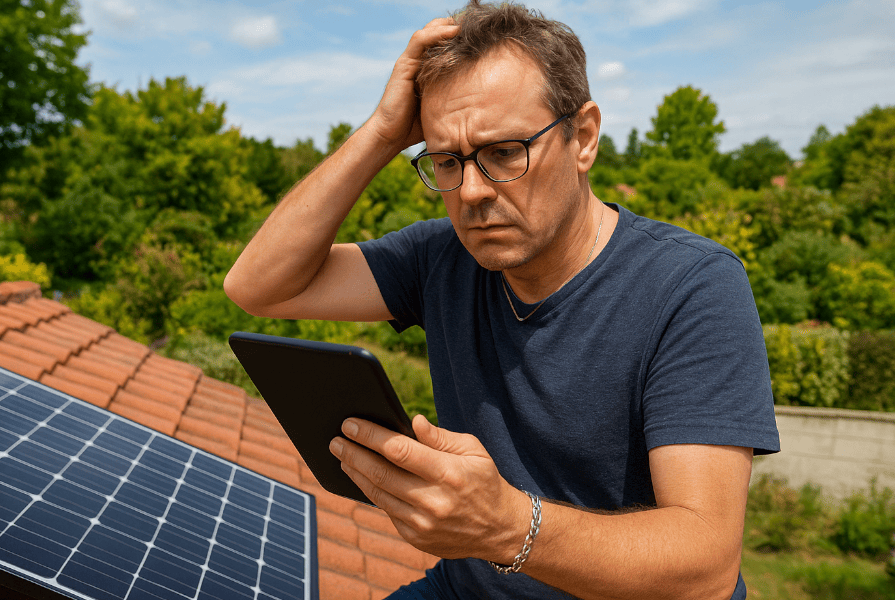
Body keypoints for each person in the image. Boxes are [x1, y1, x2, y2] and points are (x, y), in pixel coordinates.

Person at [223, 1, 779, 598]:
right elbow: (258, 287)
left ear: (583, 137)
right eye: (446, 160)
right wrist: (384, 131)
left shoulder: (692, 286)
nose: (472, 192)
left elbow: (707, 570)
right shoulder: (442, 256)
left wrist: (506, 526)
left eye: (504, 153)